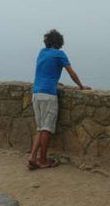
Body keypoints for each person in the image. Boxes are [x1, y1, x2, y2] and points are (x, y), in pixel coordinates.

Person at [28, 29, 91, 170]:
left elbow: (45, 71)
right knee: (46, 128)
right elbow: (71, 73)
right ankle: (43, 160)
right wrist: (81, 86)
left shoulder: (42, 52)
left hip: (36, 93)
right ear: (60, 42)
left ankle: (32, 157)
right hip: (48, 95)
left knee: (40, 128)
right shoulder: (59, 55)